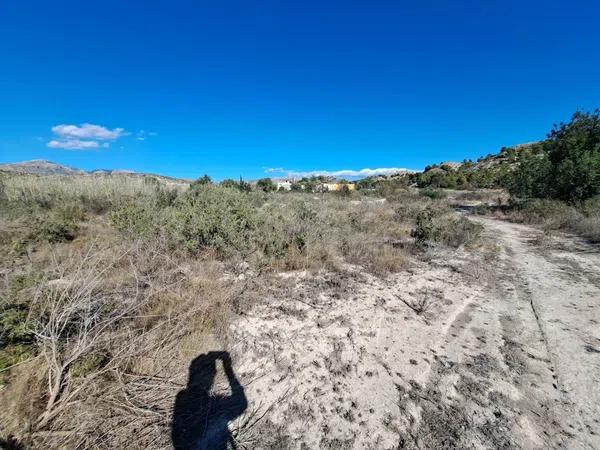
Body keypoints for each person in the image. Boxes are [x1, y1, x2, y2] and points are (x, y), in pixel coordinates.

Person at [172, 351, 247, 450]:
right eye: (212, 374)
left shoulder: (182, 397)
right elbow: (241, 403)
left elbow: (176, 437)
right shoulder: (213, 404)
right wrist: (228, 369)